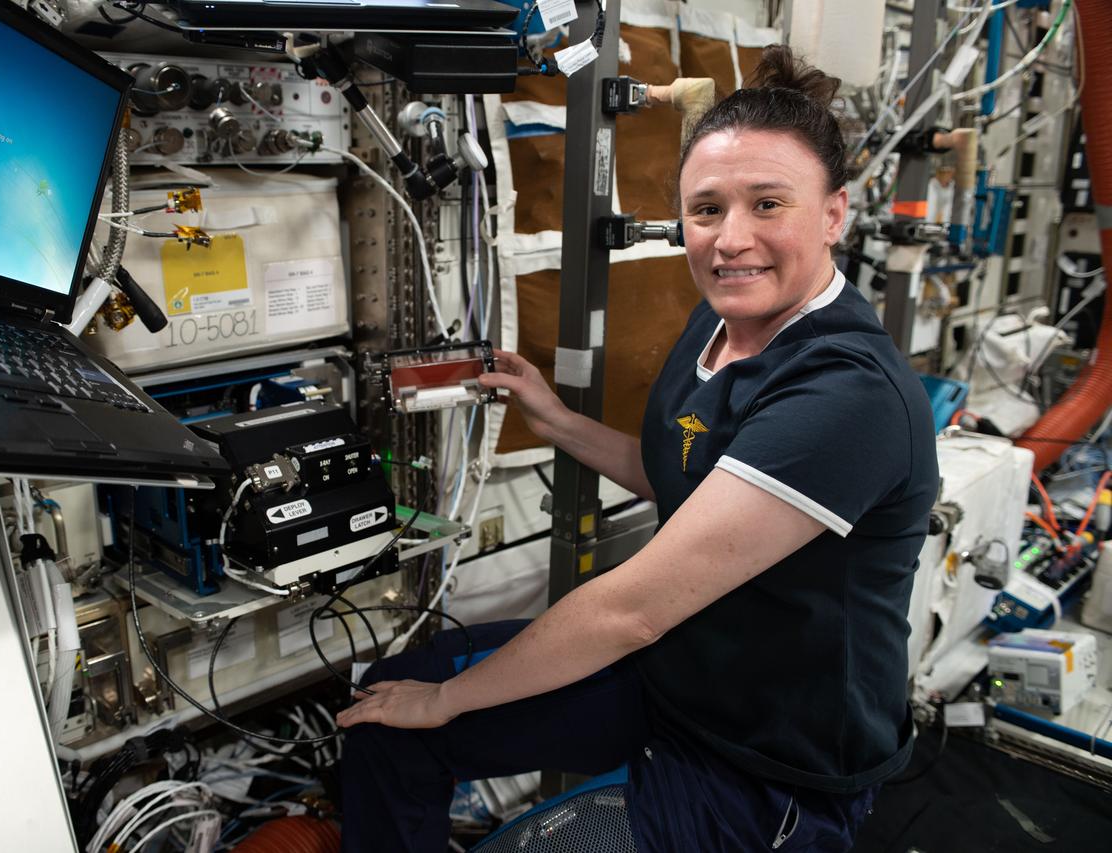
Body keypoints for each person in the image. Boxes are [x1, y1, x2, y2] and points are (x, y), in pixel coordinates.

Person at [335, 45, 939, 853]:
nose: (731, 240)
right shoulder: (724, 318)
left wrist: (451, 703)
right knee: (388, 706)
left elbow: (631, 609)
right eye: (706, 209)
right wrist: (556, 419)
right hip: (677, 678)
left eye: (768, 204)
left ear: (834, 213)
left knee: (433, 705)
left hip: (763, 765)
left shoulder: (846, 394)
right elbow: (682, 477)